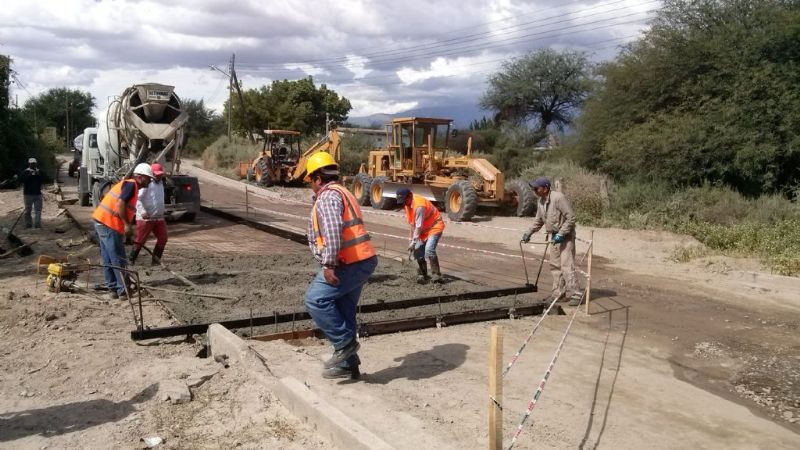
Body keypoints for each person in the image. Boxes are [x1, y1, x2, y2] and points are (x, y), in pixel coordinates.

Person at [303, 152, 378, 380]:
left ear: (317, 178)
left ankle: (344, 345)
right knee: (345, 310)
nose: (311, 187)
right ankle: (348, 365)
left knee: (315, 300)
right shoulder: (343, 192)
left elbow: (334, 231)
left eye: (310, 181)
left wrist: (328, 264)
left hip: (347, 262)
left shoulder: (327, 197)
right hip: (362, 259)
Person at [92, 163, 153, 300]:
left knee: (108, 257)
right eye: (148, 178)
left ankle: (112, 288)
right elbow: (120, 204)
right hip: (108, 224)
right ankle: (123, 290)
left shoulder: (129, 185)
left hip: (101, 221)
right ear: (141, 177)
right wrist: (127, 226)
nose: (149, 181)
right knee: (118, 258)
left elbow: (122, 206)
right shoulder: (131, 185)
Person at [521, 177, 582, 306]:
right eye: (533, 188)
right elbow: (538, 221)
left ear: (546, 188)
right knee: (555, 266)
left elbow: (571, 218)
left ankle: (575, 294)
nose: (534, 190)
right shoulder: (541, 202)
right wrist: (528, 233)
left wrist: (561, 234)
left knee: (567, 265)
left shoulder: (558, 198)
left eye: (536, 188)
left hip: (565, 236)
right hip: (554, 237)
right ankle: (558, 293)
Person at [395, 187, 445, 283]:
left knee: (429, 250)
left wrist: (414, 242)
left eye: (404, 200)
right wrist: (410, 242)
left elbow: (418, 226)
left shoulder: (419, 206)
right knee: (417, 251)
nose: (404, 203)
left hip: (434, 226)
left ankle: (436, 276)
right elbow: (412, 225)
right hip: (423, 230)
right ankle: (423, 275)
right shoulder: (407, 205)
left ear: (410, 196)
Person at [130, 163, 168, 265]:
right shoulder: (146, 184)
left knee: (163, 238)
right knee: (140, 241)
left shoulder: (161, 184)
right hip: (145, 219)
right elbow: (138, 198)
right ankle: (131, 260)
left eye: (160, 175)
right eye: (156, 175)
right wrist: (143, 211)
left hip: (159, 217)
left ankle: (155, 262)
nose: (158, 176)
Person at [20, 157, 43, 229]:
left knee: (38, 210)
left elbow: (44, 180)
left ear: (36, 164)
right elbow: (21, 180)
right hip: (28, 194)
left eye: (34, 164)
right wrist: (29, 175)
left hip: (37, 194)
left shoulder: (39, 171)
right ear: (29, 164)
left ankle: (37, 224)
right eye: (31, 164)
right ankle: (28, 224)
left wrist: (38, 174)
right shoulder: (25, 172)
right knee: (28, 210)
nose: (33, 165)